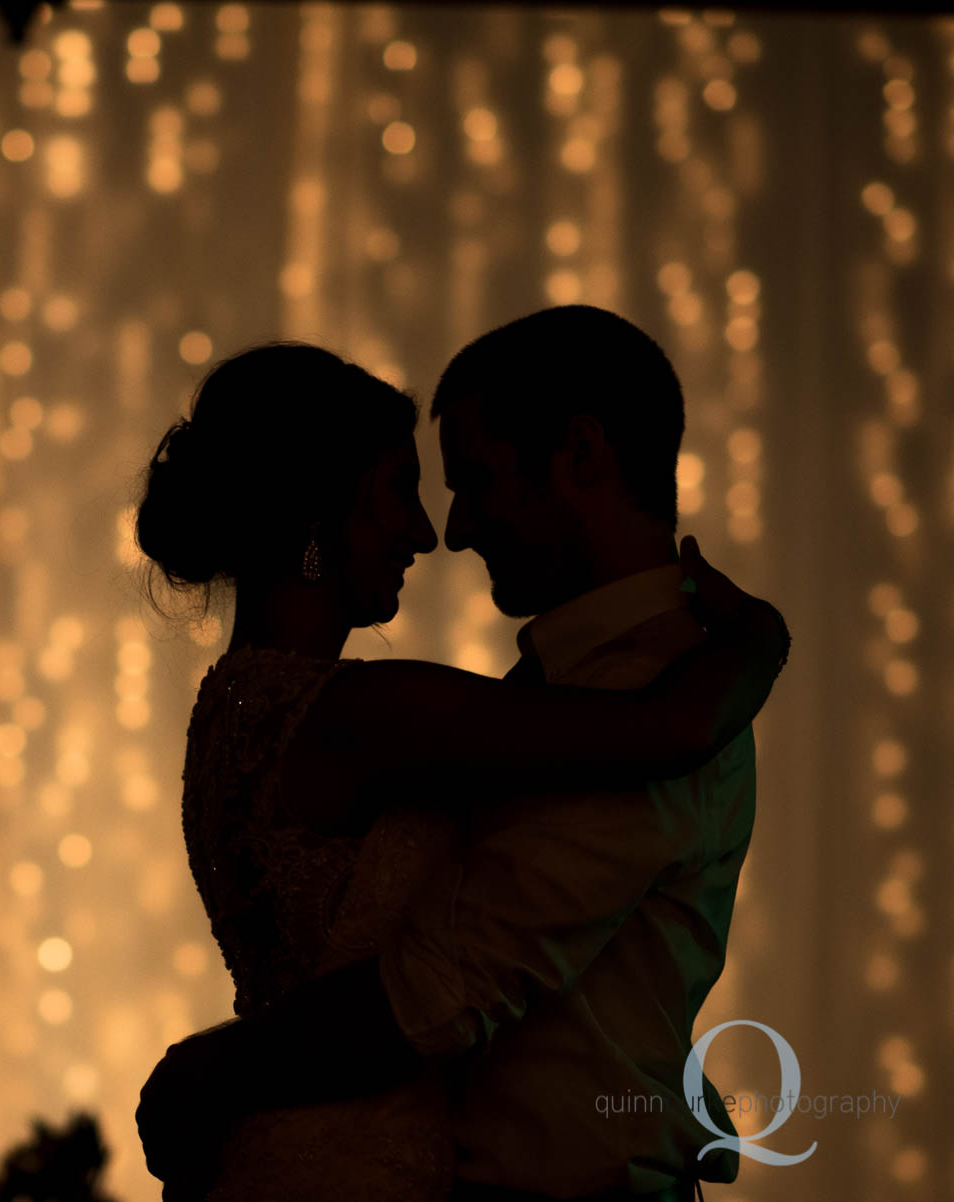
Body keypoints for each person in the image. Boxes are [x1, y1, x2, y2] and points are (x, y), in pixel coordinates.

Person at [132, 318, 788, 1201]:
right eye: (404, 491)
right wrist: (761, 641)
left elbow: (454, 979)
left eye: (472, 482)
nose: (444, 531)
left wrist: (217, 1068)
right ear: (330, 509)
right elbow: (663, 734)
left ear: (582, 455)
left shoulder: (244, 705)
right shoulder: (398, 710)